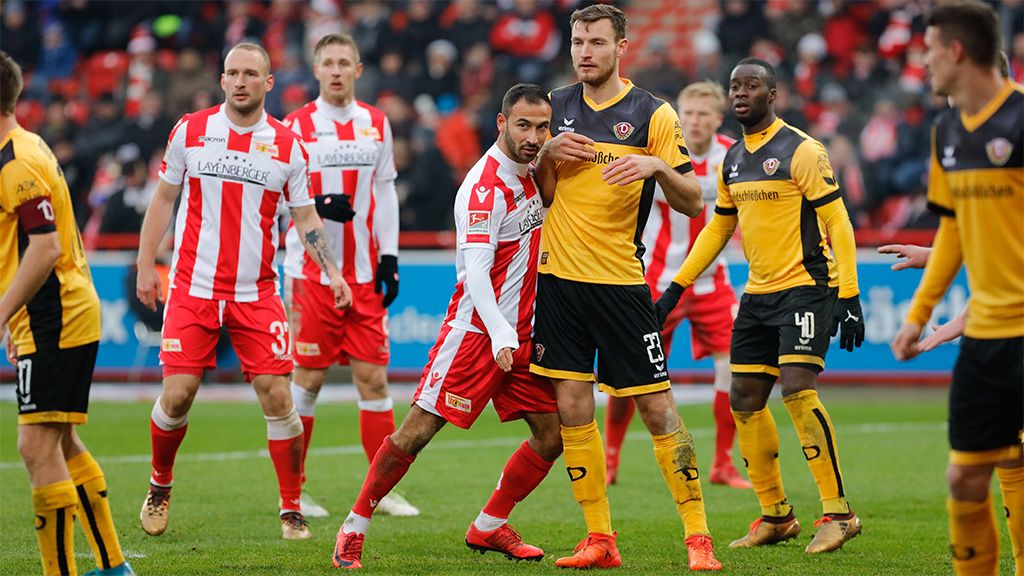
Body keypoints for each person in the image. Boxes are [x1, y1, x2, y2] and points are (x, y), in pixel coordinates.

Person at [331, 84, 561, 569]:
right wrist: (499, 332)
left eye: (543, 127)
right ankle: (354, 525)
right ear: (501, 124)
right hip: (478, 335)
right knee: (417, 431)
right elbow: (475, 271)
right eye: (524, 125)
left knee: (552, 435)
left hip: (522, 335)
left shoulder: (531, 174)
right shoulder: (484, 186)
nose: (534, 136)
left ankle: (488, 526)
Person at [529, 5, 721, 571]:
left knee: (658, 408)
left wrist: (656, 169)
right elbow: (526, 187)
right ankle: (599, 539)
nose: (584, 52)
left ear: (622, 48)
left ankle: (699, 537)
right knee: (571, 406)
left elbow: (693, 200)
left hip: (620, 284)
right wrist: (542, 155)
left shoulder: (651, 113)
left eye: (596, 42)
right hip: (558, 281)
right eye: (577, 42)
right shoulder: (553, 108)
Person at [135, 42, 352, 541]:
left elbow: (305, 217)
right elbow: (163, 198)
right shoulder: (190, 130)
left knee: (279, 396)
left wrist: (333, 274)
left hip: (257, 292)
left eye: (250, 74)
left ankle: (291, 507)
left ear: (268, 83)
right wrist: (147, 265)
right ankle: (160, 485)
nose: (239, 81)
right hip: (192, 285)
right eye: (231, 72)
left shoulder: (287, 144)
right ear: (222, 79)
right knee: (178, 393)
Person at [656, 57, 866, 554]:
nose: (740, 93)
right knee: (744, 398)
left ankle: (839, 513)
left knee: (796, 389)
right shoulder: (732, 159)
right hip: (758, 293)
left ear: (774, 95)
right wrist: (676, 288)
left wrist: (850, 294)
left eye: (752, 85)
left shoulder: (803, 150)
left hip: (807, 287)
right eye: (734, 86)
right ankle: (776, 515)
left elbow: (838, 222)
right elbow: (719, 228)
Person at [891, 3, 1023, 574]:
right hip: (985, 339)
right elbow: (951, 231)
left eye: (928, 50)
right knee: (966, 475)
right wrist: (918, 316)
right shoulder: (946, 130)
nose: (923, 62)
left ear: (957, 51)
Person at [0, 51, 135, 576]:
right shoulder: (27, 146)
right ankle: (112, 566)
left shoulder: (17, 163)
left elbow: (45, 246)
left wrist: (4, 311)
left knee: (35, 446)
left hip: (54, 315)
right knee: (58, 438)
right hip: (54, 313)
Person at [282, 32, 417, 519]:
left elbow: (386, 194)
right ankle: (293, 491)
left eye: (344, 62)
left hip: (363, 274)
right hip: (311, 274)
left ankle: (380, 492)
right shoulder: (294, 126)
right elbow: (275, 197)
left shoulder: (376, 123)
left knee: (373, 379)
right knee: (309, 379)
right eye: (328, 63)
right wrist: (316, 205)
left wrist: (391, 257)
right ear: (315, 70)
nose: (336, 70)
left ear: (358, 69)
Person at [604, 80, 751, 491]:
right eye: (689, 113)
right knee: (630, 372)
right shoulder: (660, 149)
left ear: (718, 119)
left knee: (733, 368)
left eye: (704, 114)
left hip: (710, 281)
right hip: (654, 280)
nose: (695, 121)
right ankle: (610, 456)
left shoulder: (732, 157)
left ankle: (723, 462)